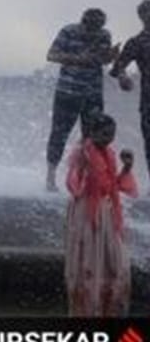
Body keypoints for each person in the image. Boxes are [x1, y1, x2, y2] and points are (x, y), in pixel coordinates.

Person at [63, 113, 138, 317]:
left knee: (117, 262)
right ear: (91, 133)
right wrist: (84, 170)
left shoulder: (110, 153)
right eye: (104, 134)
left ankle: (107, 308)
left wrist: (127, 167)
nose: (108, 139)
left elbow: (113, 184)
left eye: (111, 135)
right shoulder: (81, 153)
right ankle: (89, 310)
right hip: (85, 214)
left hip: (107, 213)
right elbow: (73, 184)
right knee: (89, 261)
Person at [45, 8, 120, 192]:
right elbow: (51, 55)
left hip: (92, 93)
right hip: (67, 92)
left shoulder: (104, 35)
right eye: (90, 29)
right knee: (59, 134)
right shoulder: (69, 31)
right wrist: (77, 59)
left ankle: (85, 178)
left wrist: (110, 56)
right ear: (83, 23)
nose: (93, 33)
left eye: (98, 28)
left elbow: (101, 61)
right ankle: (50, 178)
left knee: (92, 137)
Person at [110, 0, 150, 177]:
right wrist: (123, 77)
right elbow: (118, 67)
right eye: (146, 12)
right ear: (141, 16)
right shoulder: (136, 42)